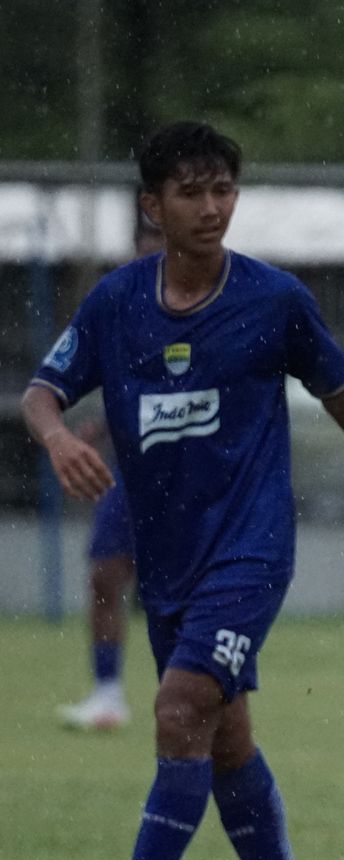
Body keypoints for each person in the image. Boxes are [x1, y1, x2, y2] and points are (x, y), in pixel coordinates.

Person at [22, 121, 344, 860]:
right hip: (169, 556)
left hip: (251, 549)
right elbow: (42, 391)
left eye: (224, 189)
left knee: (180, 708)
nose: (212, 207)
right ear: (152, 206)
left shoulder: (273, 300)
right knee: (223, 735)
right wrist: (57, 437)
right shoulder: (117, 302)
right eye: (191, 191)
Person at [57, 213, 166, 733]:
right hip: (130, 474)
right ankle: (107, 694)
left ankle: (197, 699)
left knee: (181, 593)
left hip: (188, 477)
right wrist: (97, 428)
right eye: (141, 252)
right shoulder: (121, 309)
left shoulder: (208, 311)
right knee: (105, 575)